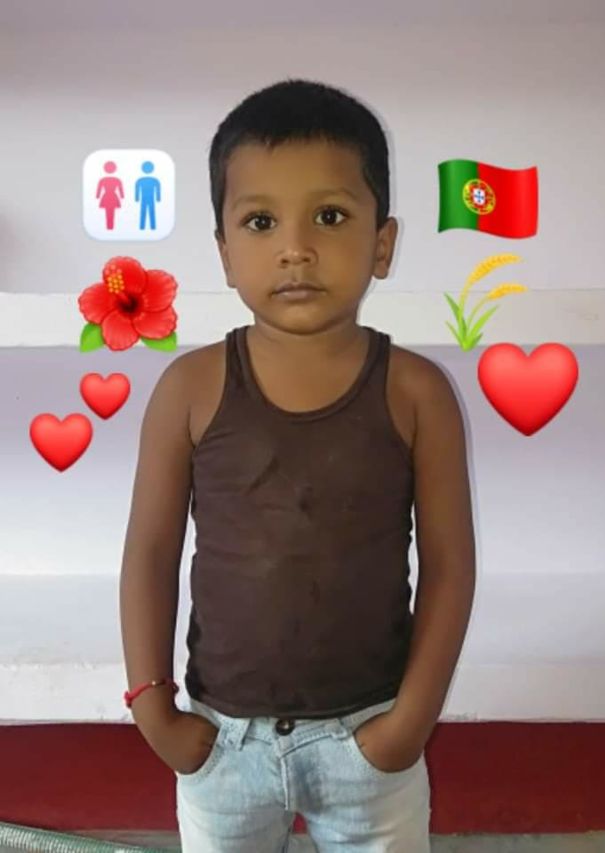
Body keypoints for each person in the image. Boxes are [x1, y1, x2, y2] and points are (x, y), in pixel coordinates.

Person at [120, 77, 476, 852]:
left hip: (372, 736)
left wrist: (411, 720)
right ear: (224, 250)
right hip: (222, 742)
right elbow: (150, 551)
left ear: (382, 242)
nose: (296, 247)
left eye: (330, 216)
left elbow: (450, 565)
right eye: (260, 221)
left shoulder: (417, 392)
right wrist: (151, 703)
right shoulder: (189, 387)